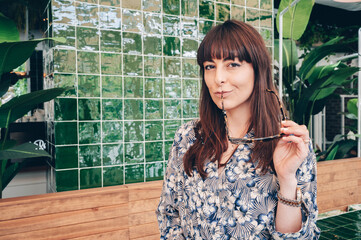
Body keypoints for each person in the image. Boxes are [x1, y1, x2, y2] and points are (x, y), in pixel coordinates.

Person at [156, 19, 320, 239]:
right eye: (209, 66)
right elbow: (169, 214)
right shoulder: (188, 137)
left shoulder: (290, 143)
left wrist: (287, 179)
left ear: (257, 69)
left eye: (232, 64)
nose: (218, 79)